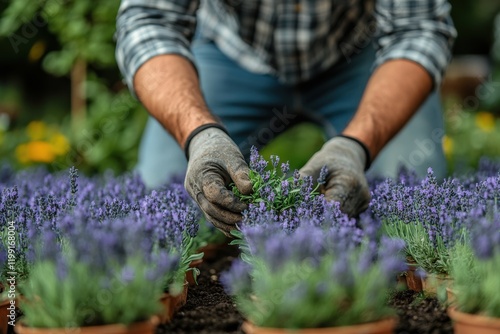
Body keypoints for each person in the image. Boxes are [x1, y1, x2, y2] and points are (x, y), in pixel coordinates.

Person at [115, 0, 456, 234]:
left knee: (411, 205)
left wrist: (356, 147)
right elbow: (149, 21)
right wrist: (199, 135)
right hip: (231, 54)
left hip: (361, 57)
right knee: (166, 200)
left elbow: (417, 30)